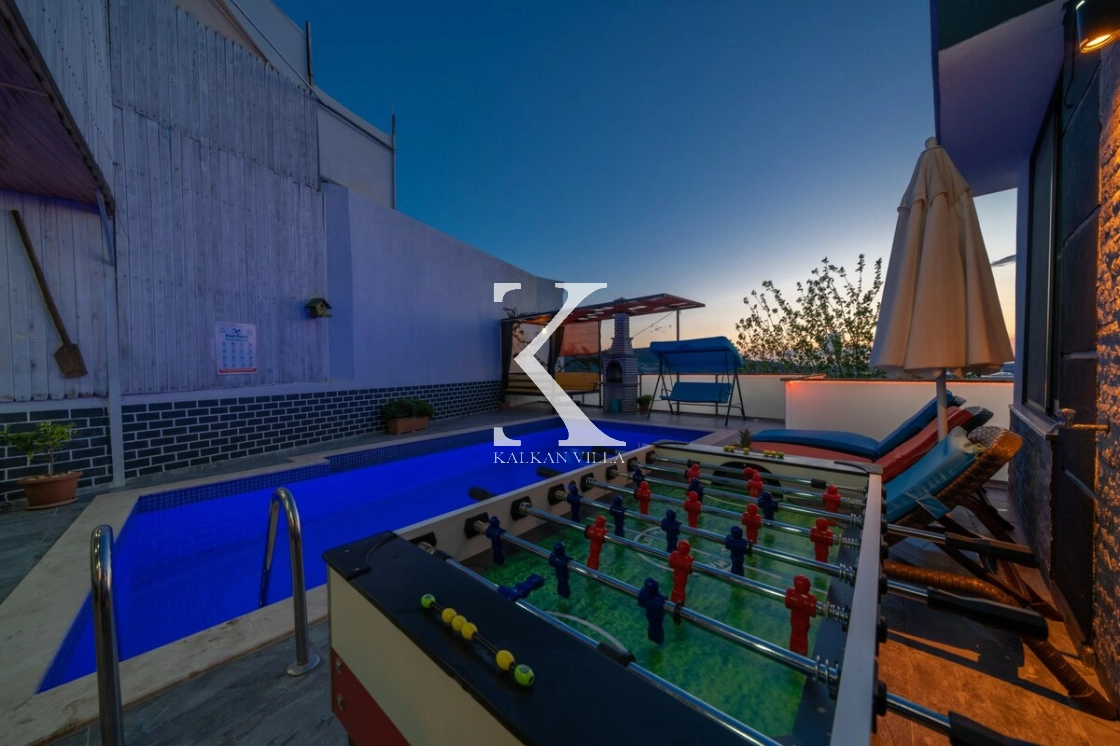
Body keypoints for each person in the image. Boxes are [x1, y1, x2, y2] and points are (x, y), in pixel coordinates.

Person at [784, 575, 817, 655]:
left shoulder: (791, 593)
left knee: (799, 636)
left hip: (799, 622)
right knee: (798, 636)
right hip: (798, 622)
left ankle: (797, 654)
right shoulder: (810, 599)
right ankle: (797, 654)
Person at [637, 577, 667, 644]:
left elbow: (640, 603)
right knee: (657, 627)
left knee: (652, 626)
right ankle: (658, 642)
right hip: (657, 623)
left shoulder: (643, 594)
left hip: (651, 619)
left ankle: (653, 640)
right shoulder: (659, 601)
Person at [668, 540, 695, 605]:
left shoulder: (674, 554)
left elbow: (671, 564)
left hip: (676, 577)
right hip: (682, 579)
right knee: (680, 591)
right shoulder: (689, 558)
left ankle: (674, 602)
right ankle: (679, 603)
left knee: (676, 589)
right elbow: (689, 570)